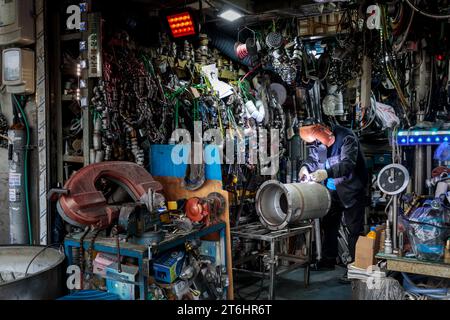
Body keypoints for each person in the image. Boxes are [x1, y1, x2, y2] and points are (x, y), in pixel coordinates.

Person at [299, 122, 368, 283]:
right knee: (329, 224)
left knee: (354, 230)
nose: (317, 144)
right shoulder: (319, 141)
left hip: (352, 190)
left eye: (318, 140)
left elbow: (347, 165)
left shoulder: (347, 138)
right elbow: (313, 157)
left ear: (326, 131)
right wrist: (305, 167)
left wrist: (326, 172)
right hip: (332, 191)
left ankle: (355, 268)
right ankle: (328, 260)